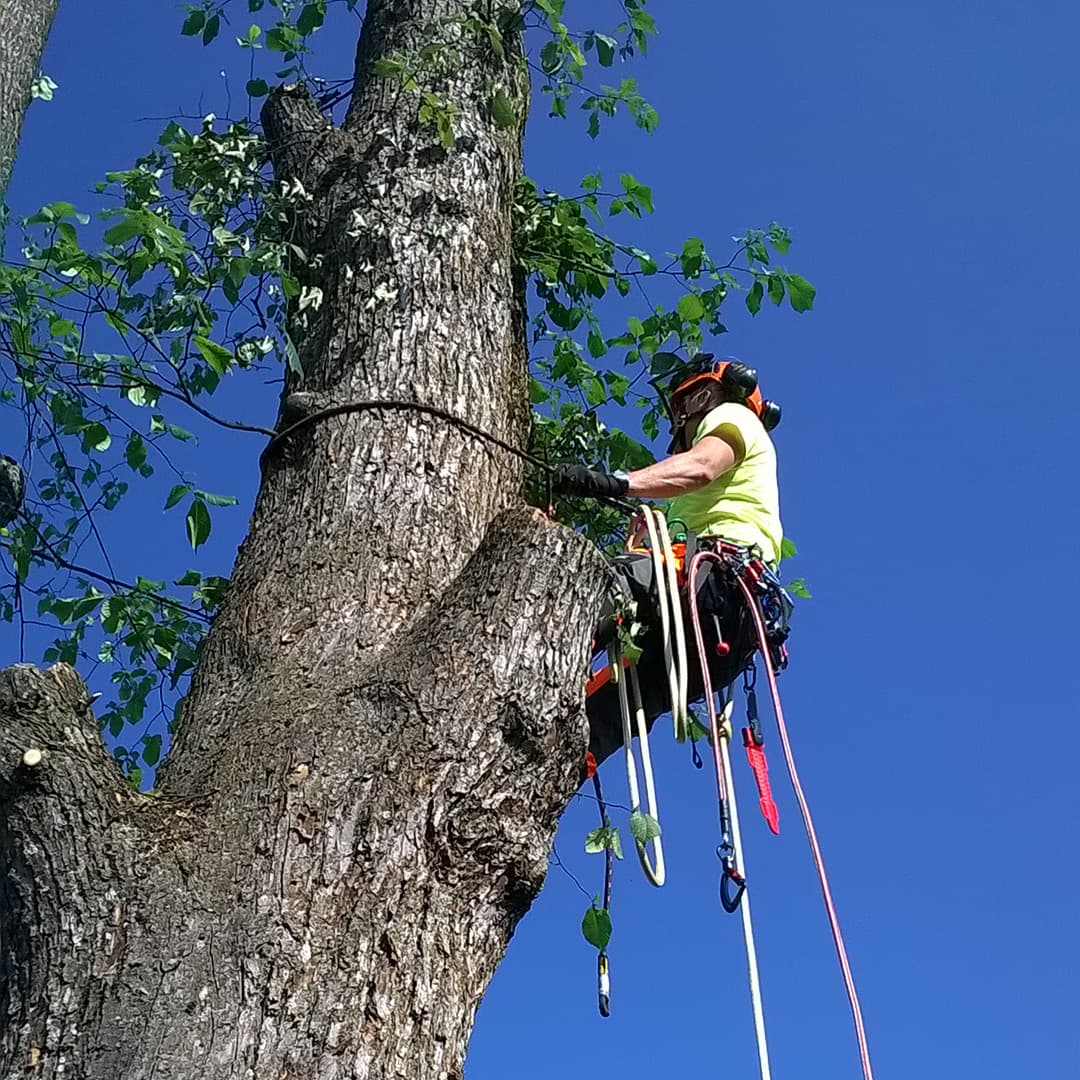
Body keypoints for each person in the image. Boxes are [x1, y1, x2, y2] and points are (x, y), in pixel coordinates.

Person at [552, 355, 786, 744]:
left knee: (592, 589)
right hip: (721, 635)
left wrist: (616, 483)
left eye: (680, 407)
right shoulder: (708, 496)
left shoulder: (732, 415)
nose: (677, 421)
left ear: (701, 398)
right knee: (597, 721)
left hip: (710, 577)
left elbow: (701, 466)